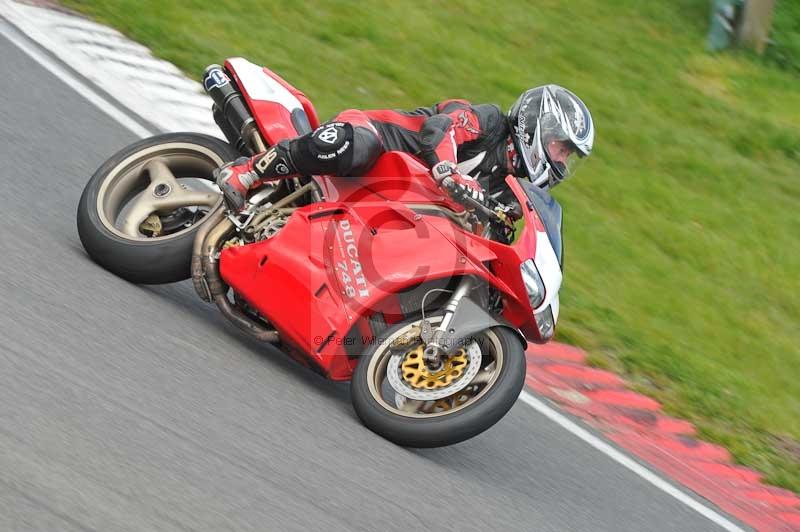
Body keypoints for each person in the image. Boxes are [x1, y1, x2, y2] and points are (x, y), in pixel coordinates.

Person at [216, 84, 594, 211]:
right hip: (379, 144)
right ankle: (248, 170)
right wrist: (446, 171)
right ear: (538, 127)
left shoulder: (512, 190)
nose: (562, 161)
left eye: (568, 156)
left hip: (394, 203)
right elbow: (440, 128)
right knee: (352, 147)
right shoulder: (491, 121)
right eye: (562, 148)